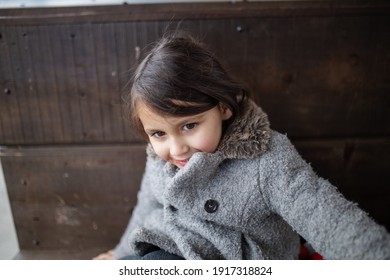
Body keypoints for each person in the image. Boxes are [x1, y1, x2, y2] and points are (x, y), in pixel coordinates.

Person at [94, 32, 390, 260]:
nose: (176, 148)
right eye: (158, 133)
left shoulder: (266, 158)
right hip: (169, 246)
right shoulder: (159, 158)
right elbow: (147, 203)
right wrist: (119, 254)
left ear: (223, 108)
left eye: (189, 126)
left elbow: (323, 213)